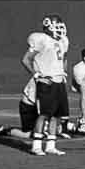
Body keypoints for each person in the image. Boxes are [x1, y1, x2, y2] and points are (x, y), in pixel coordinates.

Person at [22, 16, 71, 157]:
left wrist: (63, 75)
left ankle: (51, 145)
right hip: (47, 81)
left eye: (61, 26)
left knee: (57, 116)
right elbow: (26, 59)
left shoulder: (63, 41)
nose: (60, 29)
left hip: (59, 81)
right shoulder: (41, 39)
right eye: (57, 26)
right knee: (44, 114)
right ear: (48, 26)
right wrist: (37, 76)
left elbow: (64, 58)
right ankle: (36, 146)